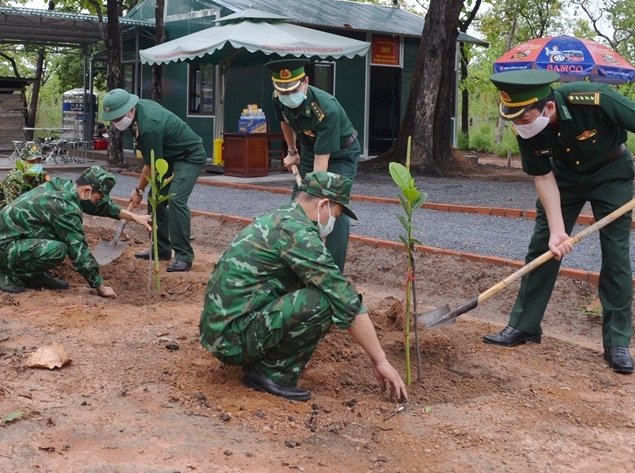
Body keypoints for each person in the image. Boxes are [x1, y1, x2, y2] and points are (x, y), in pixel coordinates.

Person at [484, 69, 635, 374]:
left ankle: (617, 342)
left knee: (616, 255)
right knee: (542, 247)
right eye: (514, 120)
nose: (520, 125)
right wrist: (556, 231)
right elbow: (542, 175)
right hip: (564, 177)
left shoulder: (592, 98)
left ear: (548, 107)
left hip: (611, 173)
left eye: (525, 118)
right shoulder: (524, 125)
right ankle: (524, 326)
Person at [200, 171, 408, 402]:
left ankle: (263, 357)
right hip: (232, 341)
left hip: (222, 332)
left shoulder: (282, 218)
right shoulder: (298, 233)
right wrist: (380, 360)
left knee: (310, 287)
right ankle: (271, 373)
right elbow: (343, 297)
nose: (334, 223)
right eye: (336, 217)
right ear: (324, 205)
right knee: (322, 301)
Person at [0, 167, 140, 296]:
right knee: (58, 249)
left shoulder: (64, 186)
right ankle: (4, 272)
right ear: (86, 191)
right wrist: (99, 286)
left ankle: (33, 274)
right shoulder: (65, 207)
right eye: (97, 198)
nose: (97, 203)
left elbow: (100, 206)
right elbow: (78, 249)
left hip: (1, 239)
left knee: (54, 235)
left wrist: (132, 216)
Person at [267, 59, 361, 272]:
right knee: (297, 204)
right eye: (283, 91)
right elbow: (284, 121)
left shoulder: (326, 109)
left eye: (293, 89)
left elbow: (322, 162)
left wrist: (317, 197)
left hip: (340, 153)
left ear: (306, 82)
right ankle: (297, 266)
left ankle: (333, 273)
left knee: (332, 208)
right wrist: (292, 152)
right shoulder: (278, 96)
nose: (288, 95)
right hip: (310, 149)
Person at [100, 88, 206, 273]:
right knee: (155, 199)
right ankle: (161, 250)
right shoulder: (137, 113)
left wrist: (138, 190)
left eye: (119, 118)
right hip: (168, 157)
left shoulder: (150, 125)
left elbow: (152, 165)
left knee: (175, 200)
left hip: (189, 156)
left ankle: (183, 256)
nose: (117, 122)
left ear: (130, 110)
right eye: (114, 119)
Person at [0, 141, 49, 219]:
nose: (35, 165)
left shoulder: (41, 175)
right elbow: (12, 206)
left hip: (27, 207)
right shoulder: (13, 179)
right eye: (31, 161)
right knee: (10, 206)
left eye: (38, 161)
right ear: (23, 162)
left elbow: (49, 193)